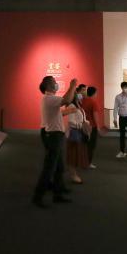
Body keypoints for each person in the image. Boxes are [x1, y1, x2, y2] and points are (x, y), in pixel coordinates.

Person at [33, 75, 78, 208]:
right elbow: (67, 99)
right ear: (47, 86)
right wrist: (72, 85)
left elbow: (57, 113)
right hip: (53, 136)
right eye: (53, 82)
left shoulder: (49, 100)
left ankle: (57, 194)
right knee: (49, 168)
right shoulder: (50, 98)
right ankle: (38, 197)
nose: (56, 83)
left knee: (59, 168)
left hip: (55, 135)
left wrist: (67, 112)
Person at [64, 91, 90, 184]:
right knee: (72, 154)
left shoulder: (78, 105)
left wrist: (85, 122)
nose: (82, 96)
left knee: (76, 154)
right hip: (73, 133)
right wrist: (81, 124)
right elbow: (71, 122)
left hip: (79, 132)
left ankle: (74, 174)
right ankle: (73, 175)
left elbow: (81, 118)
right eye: (80, 95)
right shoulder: (72, 106)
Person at [81, 86, 102, 168]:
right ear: (94, 93)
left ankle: (82, 161)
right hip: (92, 126)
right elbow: (95, 115)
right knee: (90, 146)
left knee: (84, 145)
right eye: (96, 92)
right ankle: (88, 163)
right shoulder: (93, 102)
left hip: (83, 126)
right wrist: (98, 127)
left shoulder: (83, 101)